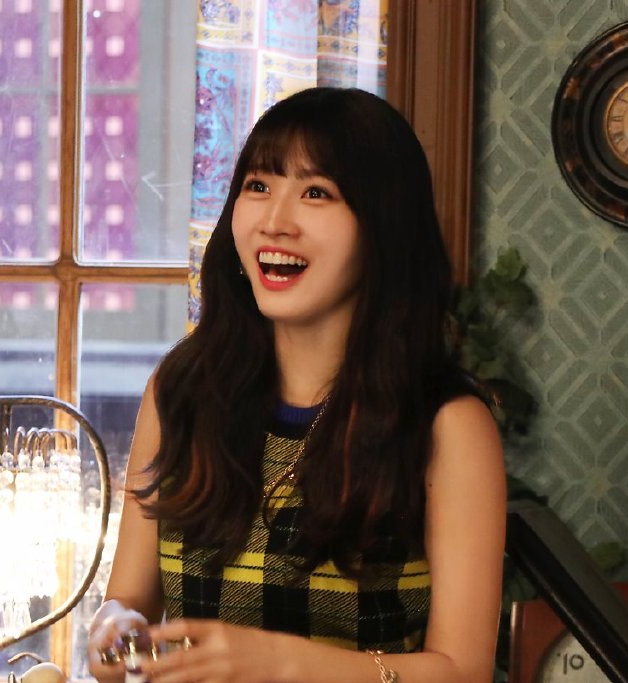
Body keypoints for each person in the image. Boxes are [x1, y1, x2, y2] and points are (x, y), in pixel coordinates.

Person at [86, 86, 505, 683]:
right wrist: (114, 628)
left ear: (384, 224)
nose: (274, 222)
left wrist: (281, 662)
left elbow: (462, 672)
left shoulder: (448, 423)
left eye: (316, 193)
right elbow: (127, 599)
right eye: (258, 186)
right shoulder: (181, 390)